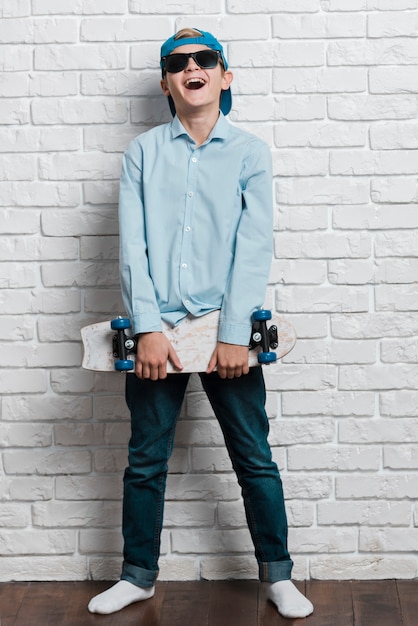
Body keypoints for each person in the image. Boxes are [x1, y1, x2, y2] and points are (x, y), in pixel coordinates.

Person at [88, 28, 314, 620]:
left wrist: (235, 332)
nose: (193, 67)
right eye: (178, 62)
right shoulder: (143, 153)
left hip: (225, 332)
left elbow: (254, 245)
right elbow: (132, 246)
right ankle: (137, 575)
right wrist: (148, 328)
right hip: (158, 330)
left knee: (253, 456)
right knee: (145, 459)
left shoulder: (250, 153)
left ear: (224, 75)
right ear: (167, 82)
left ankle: (277, 575)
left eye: (205, 58)